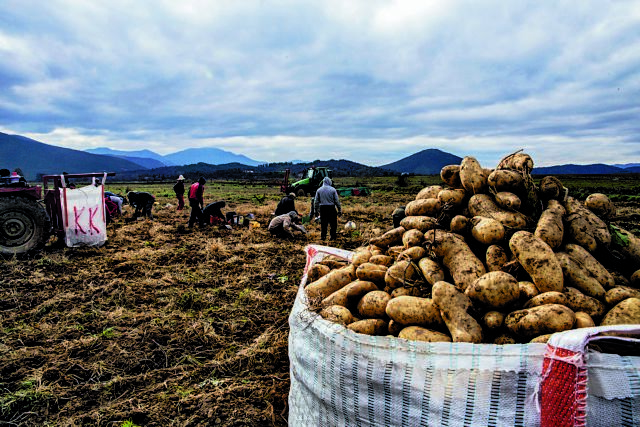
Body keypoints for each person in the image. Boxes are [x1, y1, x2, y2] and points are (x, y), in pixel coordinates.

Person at [313, 177, 341, 241]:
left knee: (323, 224)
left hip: (323, 209)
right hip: (331, 208)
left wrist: (316, 211)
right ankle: (332, 237)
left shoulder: (319, 190)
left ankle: (323, 237)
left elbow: (316, 201)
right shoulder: (333, 190)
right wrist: (339, 210)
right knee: (333, 224)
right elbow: (337, 201)